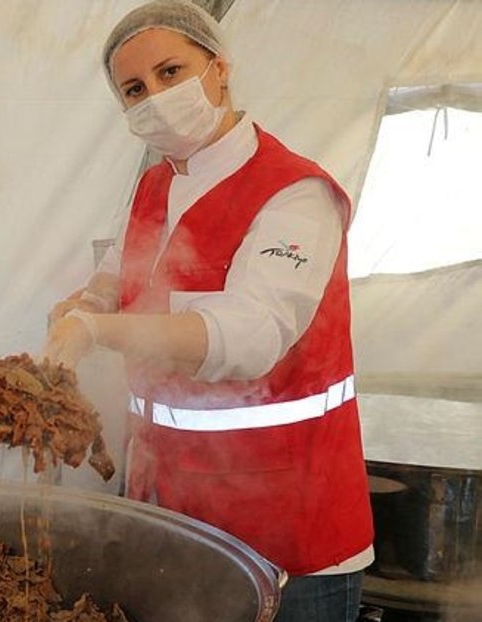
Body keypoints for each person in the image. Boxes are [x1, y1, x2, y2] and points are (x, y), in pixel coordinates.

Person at [43, 2, 373, 621]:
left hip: (286, 530)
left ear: (220, 69)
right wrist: (87, 302)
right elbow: (120, 272)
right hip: (173, 508)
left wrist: (99, 330)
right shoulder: (155, 185)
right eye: (134, 89)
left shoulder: (294, 194)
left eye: (171, 72)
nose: (156, 97)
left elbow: (251, 336)